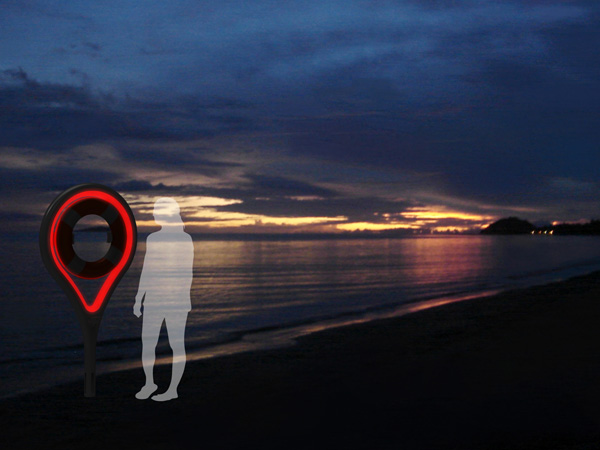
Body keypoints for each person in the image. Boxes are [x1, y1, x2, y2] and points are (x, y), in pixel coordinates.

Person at [134, 198, 194, 401]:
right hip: (153, 299)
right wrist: (139, 298)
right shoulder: (153, 238)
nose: (153, 214)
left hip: (176, 301)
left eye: (156, 211)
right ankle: (149, 383)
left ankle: (172, 389)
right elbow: (147, 269)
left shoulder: (185, 239)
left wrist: (183, 299)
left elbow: (187, 273)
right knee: (148, 343)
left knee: (176, 344)